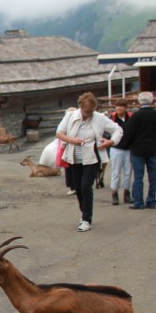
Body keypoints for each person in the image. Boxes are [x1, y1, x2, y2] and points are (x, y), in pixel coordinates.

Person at [56, 92, 122, 232]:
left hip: (92, 158)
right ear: (80, 107)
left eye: (90, 112)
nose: (88, 114)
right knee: (78, 188)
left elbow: (117, 129)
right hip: (74, 157)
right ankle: (84, 212)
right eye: (85, 112)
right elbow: (59, 133)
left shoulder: (100, 118)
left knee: (86, 186)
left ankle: (87, 219)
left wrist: (110, 141)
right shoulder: (70, 116)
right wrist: (73, 140)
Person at [120, 91, 156, 210]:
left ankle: (138, 201)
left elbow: (129, 134)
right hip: (152, 148)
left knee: (138, 177)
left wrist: (130, 144)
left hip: (137, 149)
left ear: (139, 101)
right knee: (153, 176)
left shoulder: (135, 116)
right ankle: (151, 200)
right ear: (151, 100)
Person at [108, 99, 133, 205]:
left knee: (128, 172)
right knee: (116, 172)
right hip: (116, 148)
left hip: (128, 148)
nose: (119, 108)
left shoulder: (130, 118)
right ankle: (114, 193)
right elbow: (106, 131)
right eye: (117, 106)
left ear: (125, 108)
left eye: (121, 106)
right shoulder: (112, 119)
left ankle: (126, 192)